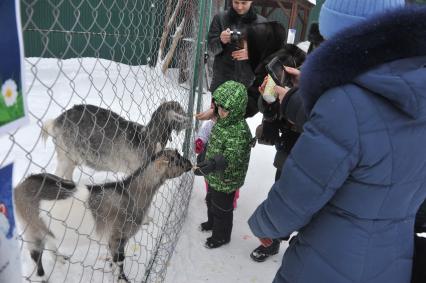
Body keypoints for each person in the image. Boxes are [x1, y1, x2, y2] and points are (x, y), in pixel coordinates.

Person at [249, 1, 426, 283]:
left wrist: (265, 224)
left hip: (328, 260)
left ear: (345, 38)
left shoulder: (344, 103)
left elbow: (300, 192)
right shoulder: (412, 83)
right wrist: (303, 92)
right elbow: (368, 131)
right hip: (393, 260)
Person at [249, 44, 306, 262]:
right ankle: (273, 239)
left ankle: (302, 243)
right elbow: (268, 110)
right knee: (282, 190)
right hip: (289, 145)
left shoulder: (317, 82)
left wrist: (293, 100)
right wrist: (269, 99)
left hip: (312, 146)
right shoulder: (282, 79)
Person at [194, 80, 253, 249]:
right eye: (218, 108)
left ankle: (221, 236)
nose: (220, 112)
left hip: (227, 179)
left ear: (236, 110)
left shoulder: (239, 131)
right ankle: (212, 223)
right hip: (215, 174)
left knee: (222, 209)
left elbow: (232, 156)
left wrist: (212, 164)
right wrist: (205, 161)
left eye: (225, 110)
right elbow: (212, 142)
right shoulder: (221, 121)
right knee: (210, 199)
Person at [207, 0, 266, 94]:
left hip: (247, 83)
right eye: (236, 2)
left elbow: (267, 57)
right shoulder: (220, 18)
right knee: (218, 109)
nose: (239, 7)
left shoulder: (262, 23)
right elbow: (211, 49)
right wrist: (221, 40)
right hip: (222, 81)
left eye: (244, 3)